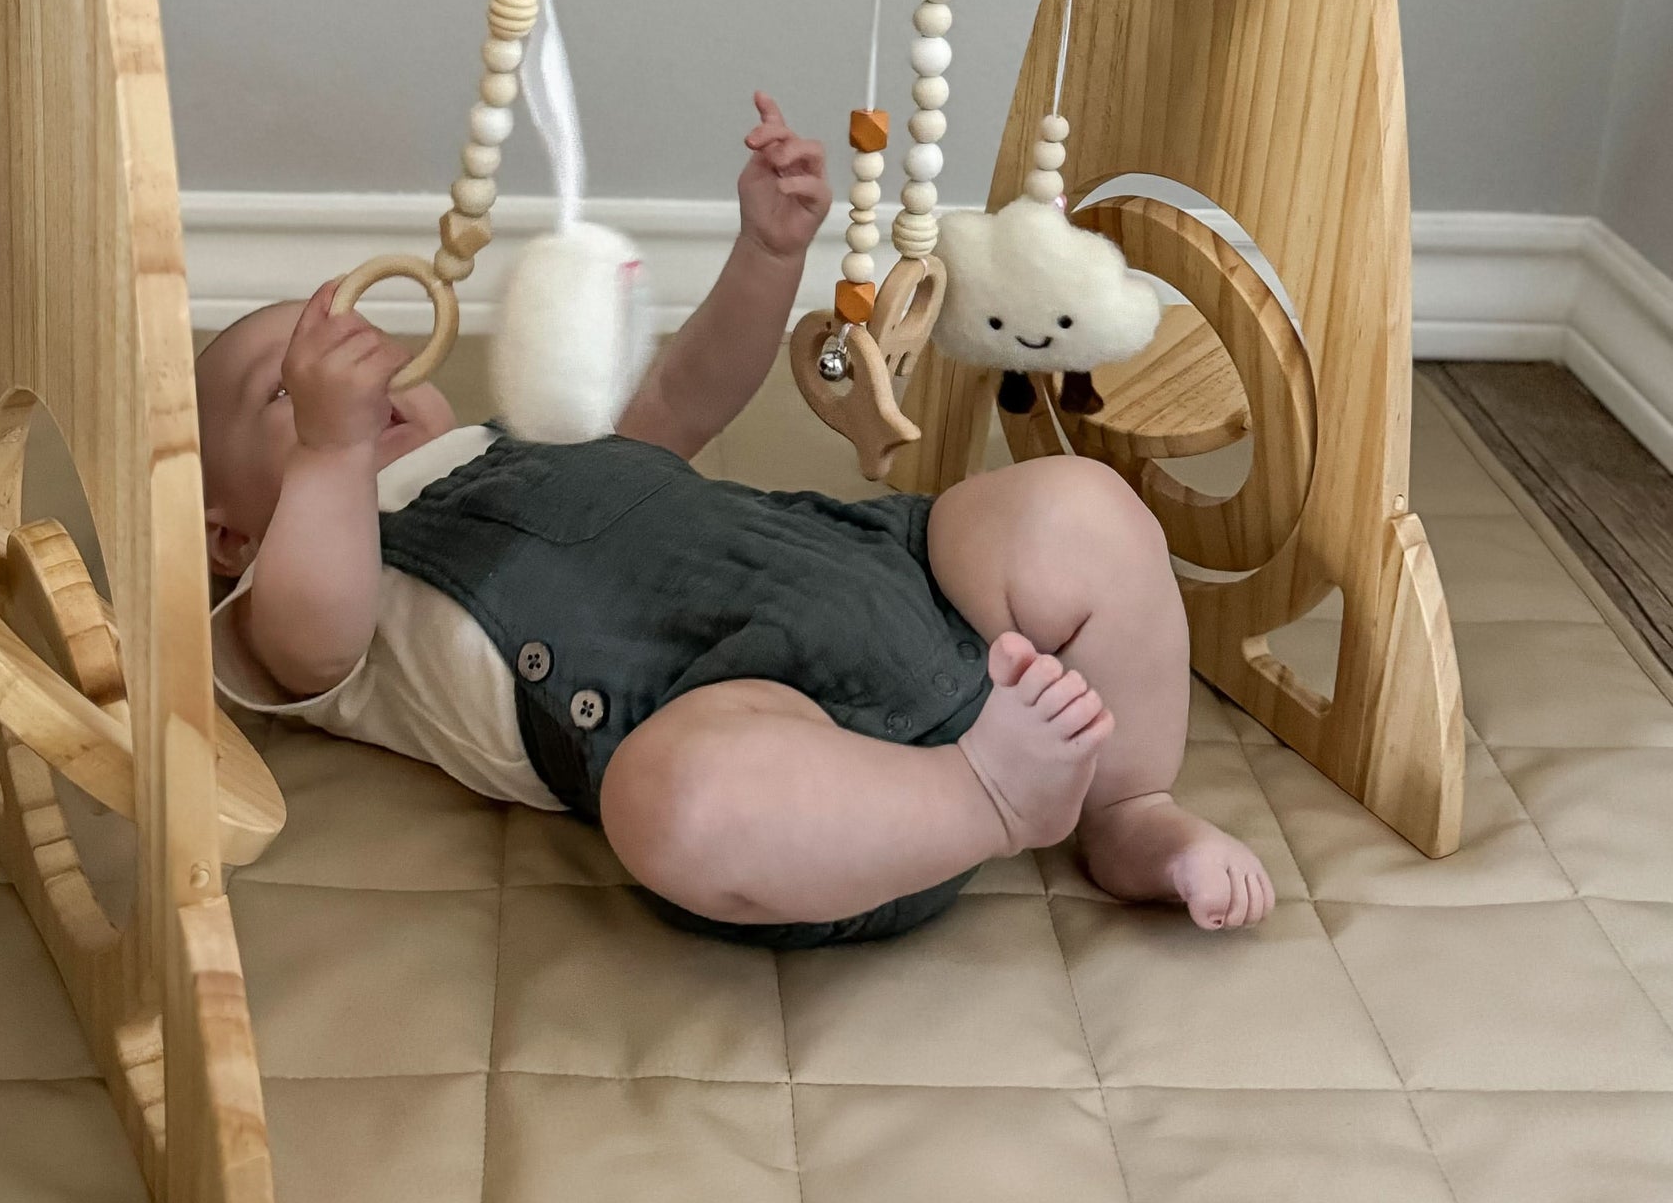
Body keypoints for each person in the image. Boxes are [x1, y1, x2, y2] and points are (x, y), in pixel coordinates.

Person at [195, 94, 1274, 947]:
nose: (352, 383)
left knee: (1078, 509)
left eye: (361, 355)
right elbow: (311, 638)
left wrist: (765, 256)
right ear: (227, 534)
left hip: (897, 574)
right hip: (776, 743)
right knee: (672, 805)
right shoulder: (305, 581)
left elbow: (681, 399)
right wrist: (332, 454)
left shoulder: (526, 429)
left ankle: (1129, 805)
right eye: (286, 390)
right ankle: (983, 794)